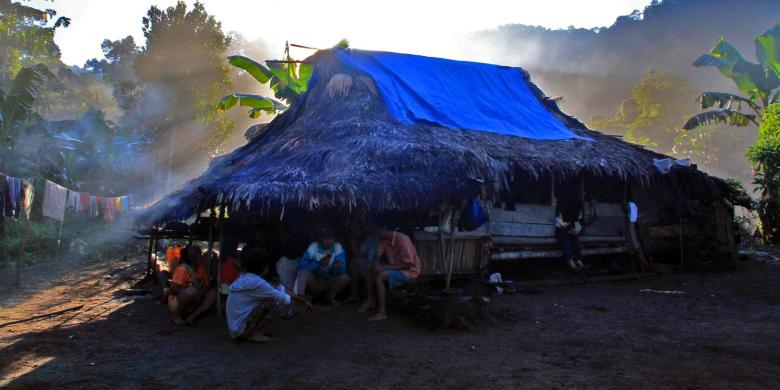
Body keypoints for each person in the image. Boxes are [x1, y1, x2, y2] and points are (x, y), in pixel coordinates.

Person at [227, 248, 312, 342]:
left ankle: (251, 332)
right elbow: (283, 298)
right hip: (240, 330)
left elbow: (279, 289)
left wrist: (302, 300)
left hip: (235, 330)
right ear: (264, 268)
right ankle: (254, 334)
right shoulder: (258, 283)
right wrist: (302, 301)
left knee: (273, 296)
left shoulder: (246, 278)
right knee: (276, 302)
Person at [359, 225, 421, 321]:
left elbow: (409, 265)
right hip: (395, 268)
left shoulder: (403, 240)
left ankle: (382, 312)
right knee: (370, 269)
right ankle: (370, 300)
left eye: (378, 230)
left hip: (409, 272)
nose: (376, 233)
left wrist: (384, 267)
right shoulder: (383, 239)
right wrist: (375, 263)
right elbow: (377, 254)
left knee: (378, 275)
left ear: (384, 229)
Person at [294, 227, 351, 306]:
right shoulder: (313, 247)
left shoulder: (337, 247)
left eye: (331, 238)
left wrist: (336, 268)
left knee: (345, 277)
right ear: (320, 238)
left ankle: (330, 297)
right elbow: (300, 266)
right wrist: (318, 264)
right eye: (325, 238)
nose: (328, 240)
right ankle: (299, 299)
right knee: (303, 272)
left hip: (330, 281)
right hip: (316, 282)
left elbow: (342, 270)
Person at [167, 245, 217, 326]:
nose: (201, 256)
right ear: (193, 258)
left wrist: (202, 292)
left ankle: (193, 316)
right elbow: (172, 289)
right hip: (177, 302)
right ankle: (176, 315)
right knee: (191, 291)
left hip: (195, 300)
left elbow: (206, 286)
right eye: (199, 254)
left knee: (213, 293)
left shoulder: (201, 269)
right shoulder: (182, 269)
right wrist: (192, 291)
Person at [345, 221, 379, 303]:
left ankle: (370, 299)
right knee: (354, 262)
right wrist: (352, 240)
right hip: (368, 262)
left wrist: (371, 263)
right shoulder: (370, 238)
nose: (365, 228)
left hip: (379, 263)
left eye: (367, 225)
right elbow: (358, 254)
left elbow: (378, 255)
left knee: (366, 267)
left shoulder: (380, 237)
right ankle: (354, 295)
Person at [555, 195, 586, 271]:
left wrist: (576, 231)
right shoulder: (564, 211)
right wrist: (569, 229)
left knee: (575, 240)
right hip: (561, 229)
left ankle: (578, 261)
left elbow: (578, 222)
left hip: (570, 230)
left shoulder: (577, 212)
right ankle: (570, 261)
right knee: (566, 241)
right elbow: (560, 222)